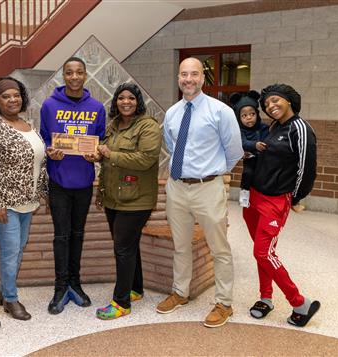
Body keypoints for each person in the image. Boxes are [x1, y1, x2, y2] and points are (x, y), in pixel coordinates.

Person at [158, 57, 243, 328]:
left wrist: (212, 173)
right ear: (178, 78)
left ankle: (224, 303)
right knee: (180, 245)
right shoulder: (172, 113)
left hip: (208, 187)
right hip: (177, 187)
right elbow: (172, 146)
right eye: (184, 74)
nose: (188, 79)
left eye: (194, 74)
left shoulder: (220, 111)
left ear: (202, 79)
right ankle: (180, 292)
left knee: (219, 247)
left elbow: (234, 151)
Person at [243, 83, 320, 327]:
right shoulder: (274, 127)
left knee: (263, 252)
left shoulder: (300, 128)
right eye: (266, 104)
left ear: (289, 100)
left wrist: (295, 198)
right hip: (254, 196)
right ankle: (265, 298)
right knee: (261, 253)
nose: (271, 106)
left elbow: (306, 169)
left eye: (275, 101)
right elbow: (268, 156)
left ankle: (299, 302)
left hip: (276, 200)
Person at [40, 56, 106, 314]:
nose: (75, 77)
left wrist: (97, 155)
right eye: (69, 72)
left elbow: (99, 141)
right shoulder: (49, 105)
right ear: (63, 76)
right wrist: (49, 151)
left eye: (79, 72)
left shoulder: (97, 107)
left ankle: (75, 284)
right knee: (61, 235)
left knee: (78, 234)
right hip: (58, 180)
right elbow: (44, 140)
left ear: (85, 75)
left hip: (84, 181)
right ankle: (60, 287)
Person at [0, 77, 48, 320]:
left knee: (18, 248)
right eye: (6, 96)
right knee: (11, 250)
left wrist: (43, 191)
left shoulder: (27, 125)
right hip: (4, 203)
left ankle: (2, 290)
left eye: (16, 95)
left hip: (27, 201)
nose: (12, 99)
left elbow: (37, 161)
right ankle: (10, 299)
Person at [94, 83, 162, 320]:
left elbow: (146, 159)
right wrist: (96, 155)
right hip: (114, 196)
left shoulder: (148, 126)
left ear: (138, 101)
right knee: (128, 245)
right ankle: (135, 288)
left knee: (122, 248)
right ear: (116, 102)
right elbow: (104, 153)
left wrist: (109, 154)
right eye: (121, 98)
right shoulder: (114, 125)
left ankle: (121, 303)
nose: (126, 102)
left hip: (137, 200)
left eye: (131, 98)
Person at [230, 90, 269, 208]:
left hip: (264, 160)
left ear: (257, 114)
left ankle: (264, 197)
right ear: (239, 118)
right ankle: (244, 194)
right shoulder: (240, 131)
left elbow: (269, 140)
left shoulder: (264, 127)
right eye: (244, 115)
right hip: (251, 158)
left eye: (252, 114)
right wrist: (255, 145)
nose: (249, 118)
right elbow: (243, 143)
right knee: (247, 173)